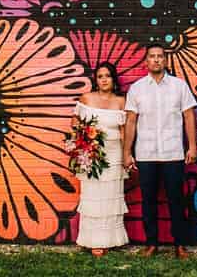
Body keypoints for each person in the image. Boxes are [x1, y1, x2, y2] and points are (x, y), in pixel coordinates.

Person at [123, 44, 197, 258]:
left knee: (176, 201)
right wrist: (127, 152)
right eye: (152, 56)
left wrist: (192, 146)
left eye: (160, 56)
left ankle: (180, 245)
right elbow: (131, 121)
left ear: (165, 60)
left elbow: (189, 116)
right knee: (148, 202)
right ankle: (152, 244)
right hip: (145, 153)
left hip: (173, 152)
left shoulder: (179, 86)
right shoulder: (137, 88)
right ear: (146, 61)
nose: (156, 60)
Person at [72, 63, 128, 255]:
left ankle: (111, 239)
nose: (104, 80)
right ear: (96, 80)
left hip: (114, 155)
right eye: (100, 76)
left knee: (111, 194)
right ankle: (93, 240)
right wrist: (83, 144)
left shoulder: (121, 101)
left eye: (108, 76)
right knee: (93, 195)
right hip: (92, 155)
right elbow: (75, 123)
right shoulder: (86, 98)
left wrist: (127, 155)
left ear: (113, 79)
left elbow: (124, 132)